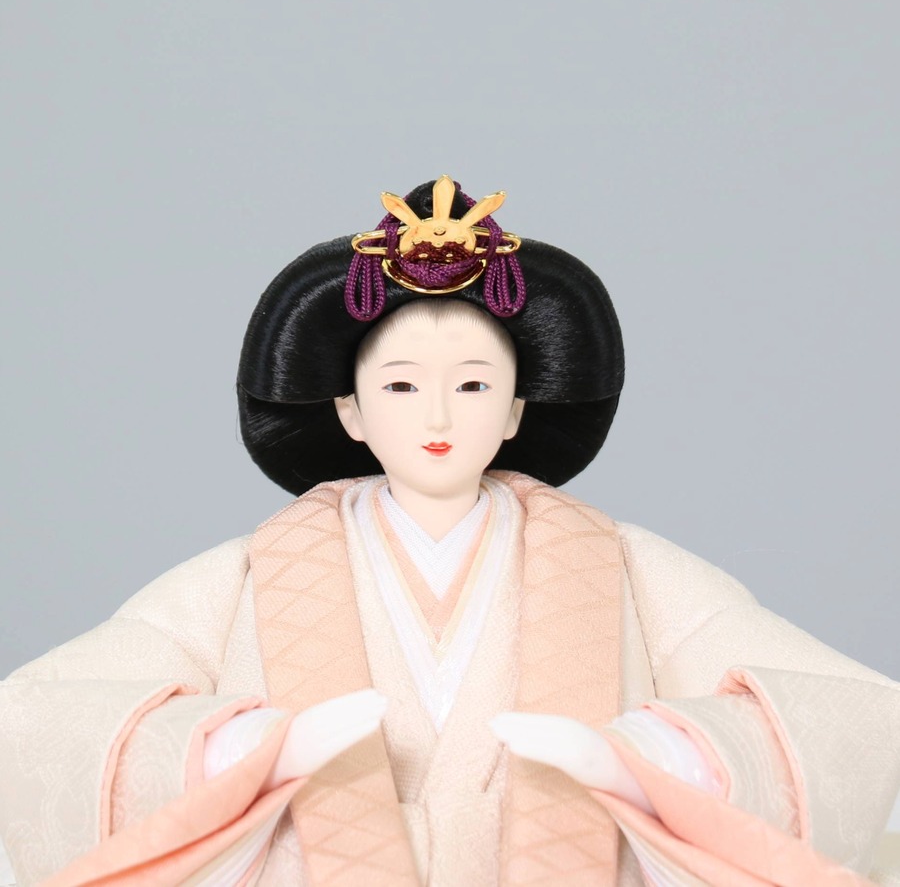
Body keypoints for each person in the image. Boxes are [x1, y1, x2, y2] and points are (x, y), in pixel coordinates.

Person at [1, 178, 898, 886]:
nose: (437, 415)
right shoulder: (252, 572)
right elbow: (47, 721)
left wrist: (641, 761)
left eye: (473, 385)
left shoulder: (621, 564)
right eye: (399, 386)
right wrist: (248, 754)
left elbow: (843, 717)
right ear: (350, 411)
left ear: (515, 409)